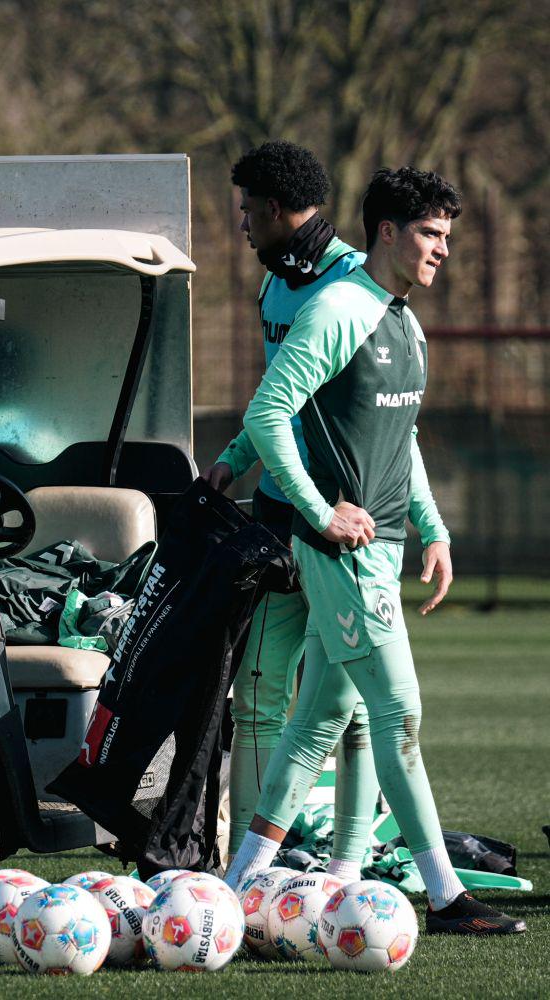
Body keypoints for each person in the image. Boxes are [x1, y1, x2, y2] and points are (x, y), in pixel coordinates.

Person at [223, 167, 525, 935]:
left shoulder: (404, 320)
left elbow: (404, 441)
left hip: (385, 547)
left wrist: (436, 529)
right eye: (430, 234)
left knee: (320, 719)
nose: (443, 250)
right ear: (387, 232)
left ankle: (242, 884)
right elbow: (267, 413)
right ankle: (446, 896)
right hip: (348, 555)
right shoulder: (337, 308)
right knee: (399, 712)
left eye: (449, 237)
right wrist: (321, 514)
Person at [205, 140, 378, 881]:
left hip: (350, 526)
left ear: (276, 210)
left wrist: (427, 526)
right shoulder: (275, 288)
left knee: (360, 707)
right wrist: (234, 461)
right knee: (260, 696)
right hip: (280, 519)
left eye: (248, 211)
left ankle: (349, 867)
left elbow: (393, 422)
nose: (242, 226)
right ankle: (254, 863)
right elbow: (277, 398)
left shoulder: (357, 286)